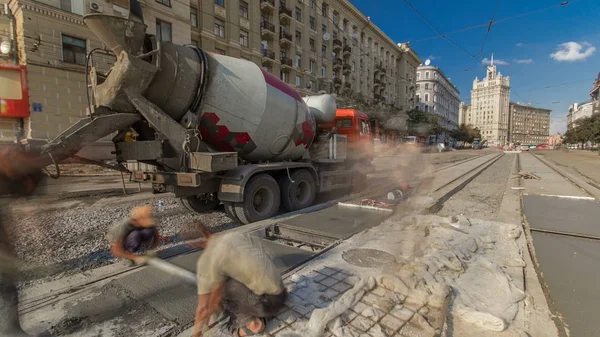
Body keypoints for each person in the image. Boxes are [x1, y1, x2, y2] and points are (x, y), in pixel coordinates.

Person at [192, 222, 286, 337]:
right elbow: (267, 255)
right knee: (232, 274)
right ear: (210, 231)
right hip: (281, 294)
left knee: (220, 288)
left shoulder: (207, 259)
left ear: (196, 244)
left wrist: (196, 333)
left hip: (267, 304)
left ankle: (253, 323)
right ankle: (262, 310)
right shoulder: (234, 235)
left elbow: (204, 307)